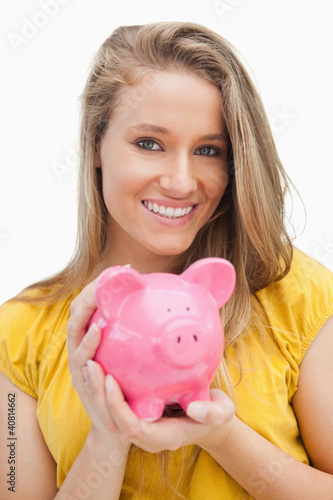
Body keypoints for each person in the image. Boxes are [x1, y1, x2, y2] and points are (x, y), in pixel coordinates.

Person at [0, 21, 332, 500]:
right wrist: (108, 435)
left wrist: (222, 436)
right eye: (149, 144)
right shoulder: (20, 331)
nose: (180, 181)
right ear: (95, 144)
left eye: (208, 150)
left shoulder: (297, 294)